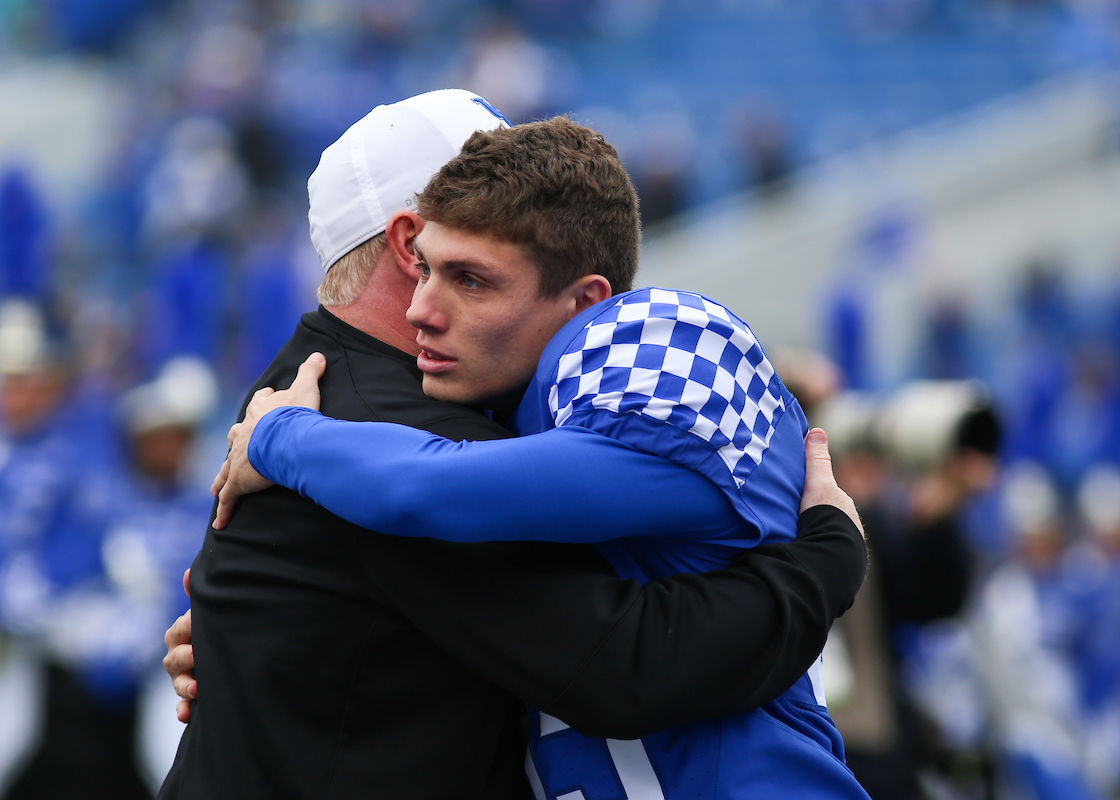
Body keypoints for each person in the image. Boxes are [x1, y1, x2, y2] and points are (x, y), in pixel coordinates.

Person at [160, 91, 867, 799]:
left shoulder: (342, 402)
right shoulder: (386, 423)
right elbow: (626, 663)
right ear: (414, 242)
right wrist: (820, 566)